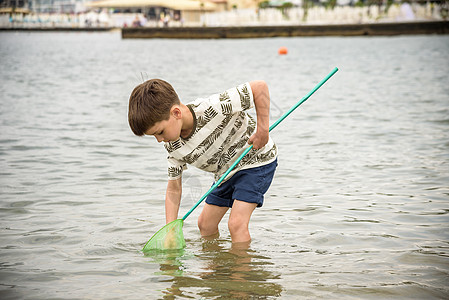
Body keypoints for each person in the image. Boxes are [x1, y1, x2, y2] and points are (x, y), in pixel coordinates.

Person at [128, 79, 277, 244]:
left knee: (236, 224)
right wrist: (170, 229)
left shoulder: (212, 107)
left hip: (256, 161)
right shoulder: (173, 147)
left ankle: (241, 269)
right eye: (154, 136)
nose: (159, 140)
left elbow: (259, 88)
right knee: (205, 225)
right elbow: (174, 188)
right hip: (225, 174)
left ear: (176, 113)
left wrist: (262, 130)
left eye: (160, 132)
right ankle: (216, 267)